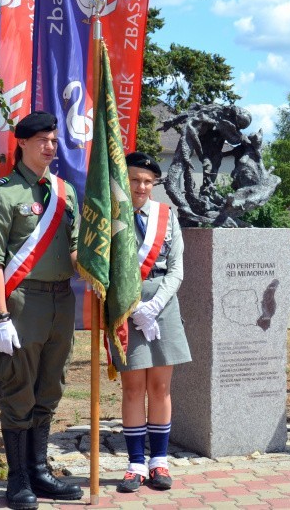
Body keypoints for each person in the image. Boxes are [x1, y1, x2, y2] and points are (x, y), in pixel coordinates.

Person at [0, 111, 82, 508]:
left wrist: (94, 265)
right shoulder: (3, 193)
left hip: (62, 299)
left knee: (50, 386)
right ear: (21, 143)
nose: (49, 146)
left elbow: (74, 249)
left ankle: (40, 470)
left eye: (53, 140)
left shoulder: (65, 192)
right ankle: (18, 477)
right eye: (41, 139)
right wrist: (2, 317)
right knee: (18, 388)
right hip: (23, 301)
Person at [112, 152, 192, 493]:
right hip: (124, 306)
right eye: (135, 179)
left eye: (147, 181)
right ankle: (134, 464)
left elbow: (177, 267)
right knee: (133, 388)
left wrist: (156, 302)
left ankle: (159, 461)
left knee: (160, 386)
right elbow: (106, 270)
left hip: (164, 303)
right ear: (123, 180)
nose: (142, 186)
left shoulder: (166, 215)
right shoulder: (111, 216)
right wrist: (132, 306)